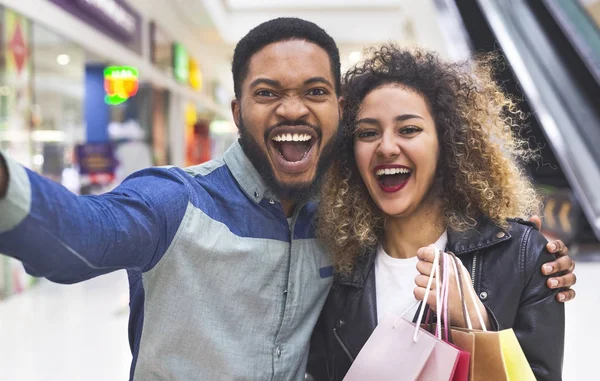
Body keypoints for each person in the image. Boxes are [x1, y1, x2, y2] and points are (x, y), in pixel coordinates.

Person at [0, 19, 574, 381]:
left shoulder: (345, 228)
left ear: (336, 113)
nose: (293, 110)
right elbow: (82, 234)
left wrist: (513, 249)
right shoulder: (175, 204)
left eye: (315, 92)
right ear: (236, 112)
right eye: (267, 93)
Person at [308, 46, 565, 380]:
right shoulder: (333, 266)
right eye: (368, 133)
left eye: (409, 129)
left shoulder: (521, 256)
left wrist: (477, 326)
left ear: (447, 143)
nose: (386, 147)